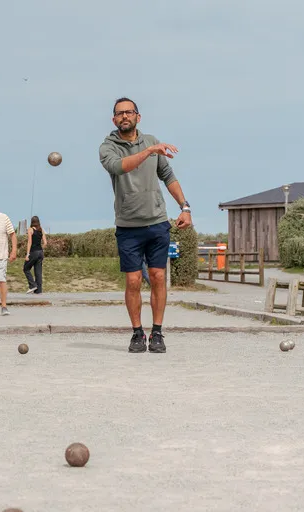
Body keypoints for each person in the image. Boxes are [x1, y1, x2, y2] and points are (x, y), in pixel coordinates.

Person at [99, 97, 192, 353]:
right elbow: (119, 167)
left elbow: (168, 176)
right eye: (119, 113)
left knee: (158, 276)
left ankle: (158, 333)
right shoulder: (109, 146)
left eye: (129, 112)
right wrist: (149, 151)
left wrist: (185, 207)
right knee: (133, 280)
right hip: (128, 225)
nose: (124, 116)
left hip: (157, 222)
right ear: (114, 119)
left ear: (138, 117)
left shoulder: (151, 141)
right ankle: (137, 333)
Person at [23, 215, 47, 294]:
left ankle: (32, 285)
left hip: (34, 252)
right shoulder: (41, 230)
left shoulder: (30, 230)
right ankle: (38, 291)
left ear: (32, 222)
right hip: (40, 252)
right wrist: (41, 249)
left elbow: (29, 242)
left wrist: (27, 254)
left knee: (26, 268)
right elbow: (45, 243)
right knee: (38, 272)